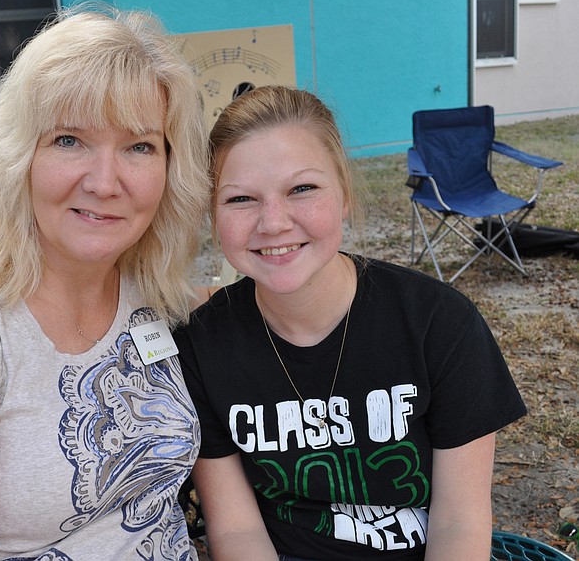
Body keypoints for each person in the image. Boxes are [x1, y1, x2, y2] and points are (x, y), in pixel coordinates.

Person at [0, 4, 210, 560]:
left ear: (171, 168)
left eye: (139, 146)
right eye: (69, 140)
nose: (104, 181)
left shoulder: (153, 290)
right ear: (17, 156)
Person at [173, 86, 527, 561]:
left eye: (302, 189)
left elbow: (459, 521)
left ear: (343, 194)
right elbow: (235, 531)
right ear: (213, 216)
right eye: (240, 199)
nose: (273, 222)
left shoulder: (439, 324)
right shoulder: (201, 345)